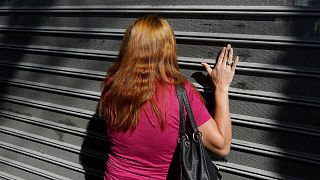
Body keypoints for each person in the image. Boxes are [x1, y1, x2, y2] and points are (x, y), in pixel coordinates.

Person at [98, 15, 239, 180]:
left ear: (129, 47)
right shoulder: (182, 92)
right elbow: (221, 147)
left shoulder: (111, 86)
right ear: (169, 49)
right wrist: (221, 88)